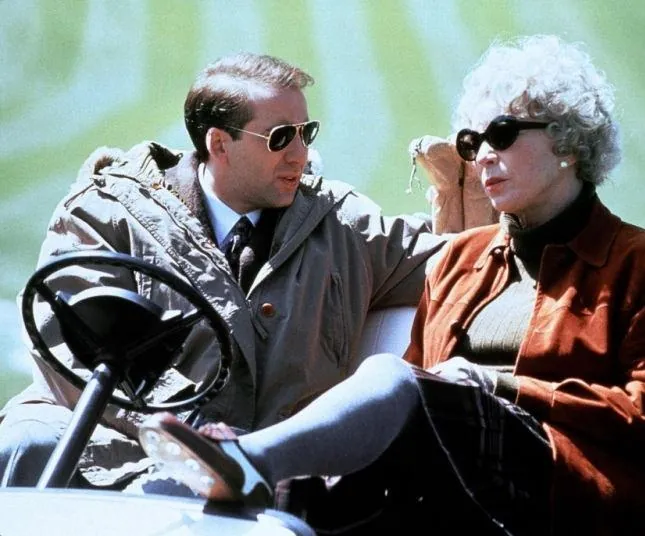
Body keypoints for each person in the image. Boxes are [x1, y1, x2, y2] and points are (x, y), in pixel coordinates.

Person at [138, 35, 645, 535]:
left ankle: (248, 459)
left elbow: (638, 414)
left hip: (565, 488)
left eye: (503, 134)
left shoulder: (634, 262)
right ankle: (173, 493)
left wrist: (498, 385)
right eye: (472, 142)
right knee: (286, 498)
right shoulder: (460, 258)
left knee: (387, 381)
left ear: (567, 141)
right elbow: (414, 401)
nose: (483, 156)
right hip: (452, 479)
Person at [0, 53, 493, 492]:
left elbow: (466, 263)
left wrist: (500, 197)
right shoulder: (106, 212)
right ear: (219, 144)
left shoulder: (343, 225)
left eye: (305, 133)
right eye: (280, 138)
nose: (300, 154)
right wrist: (184, 425)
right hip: (109, 444)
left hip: (263, 474)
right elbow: (67, 351)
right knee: (21, 445)